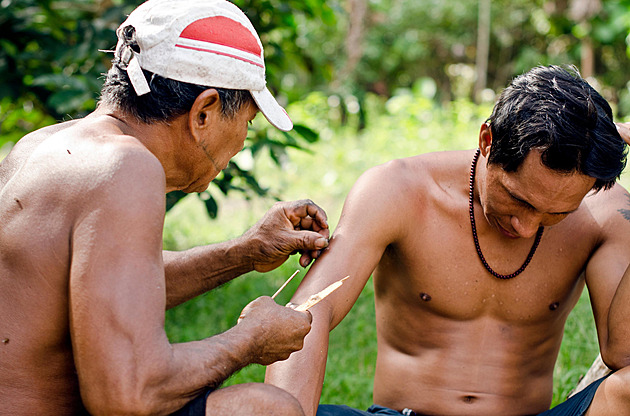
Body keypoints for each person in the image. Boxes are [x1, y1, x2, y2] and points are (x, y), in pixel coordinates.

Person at [0, 1, 330, 415]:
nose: (243, 140)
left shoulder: (43, 145)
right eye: (247, 121)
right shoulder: (125, 166)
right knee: (263, 408)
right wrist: (248, 340)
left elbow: (109, 286)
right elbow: (129, 395)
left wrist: (246, 251)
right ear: (204, 112)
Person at [266, 65, 630, 416]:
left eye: (557, 215)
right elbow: (309, 314)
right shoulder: (399, 191)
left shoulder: (604, 214)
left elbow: (623, 354)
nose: (526, 228)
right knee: (238, 408)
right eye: (519, 200)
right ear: (488, 141)